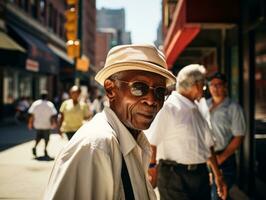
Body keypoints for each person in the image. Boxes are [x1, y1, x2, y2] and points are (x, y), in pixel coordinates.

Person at [43, 44, 176, 200]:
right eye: (139, 87)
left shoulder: (134, 142)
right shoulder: (96, 147)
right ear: (111, 89)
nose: (152, 100)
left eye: (160, 91)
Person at [145, 64, 227, 200]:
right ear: (195, 85)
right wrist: (152, 170)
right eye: (203, 85)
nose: (204, 89)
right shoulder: (169, 108)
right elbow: (151, 142)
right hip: (175, 177)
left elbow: (208, 145)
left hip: (200, 175)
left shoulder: (197, 108)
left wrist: (218, 176)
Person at [207, 72, 246, 200]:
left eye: (218, 85)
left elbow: (239, 137)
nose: (215, 88)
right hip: (204, 158)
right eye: (212, 85)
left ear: (225, 86)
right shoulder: (204, 104)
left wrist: (219, 159)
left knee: (217, 196)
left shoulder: (233, 108)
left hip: (223, 160)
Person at [28, 90, 57, 157]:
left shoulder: (35, 103)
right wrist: (54, 123)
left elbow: (31, 114)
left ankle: (35, 147)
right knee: (46, 138)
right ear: (47, 96)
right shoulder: (50, 104)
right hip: (46, 125)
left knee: (38, 137)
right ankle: (45, 149)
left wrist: (30, 123)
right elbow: (53, 115)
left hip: (38, 124)